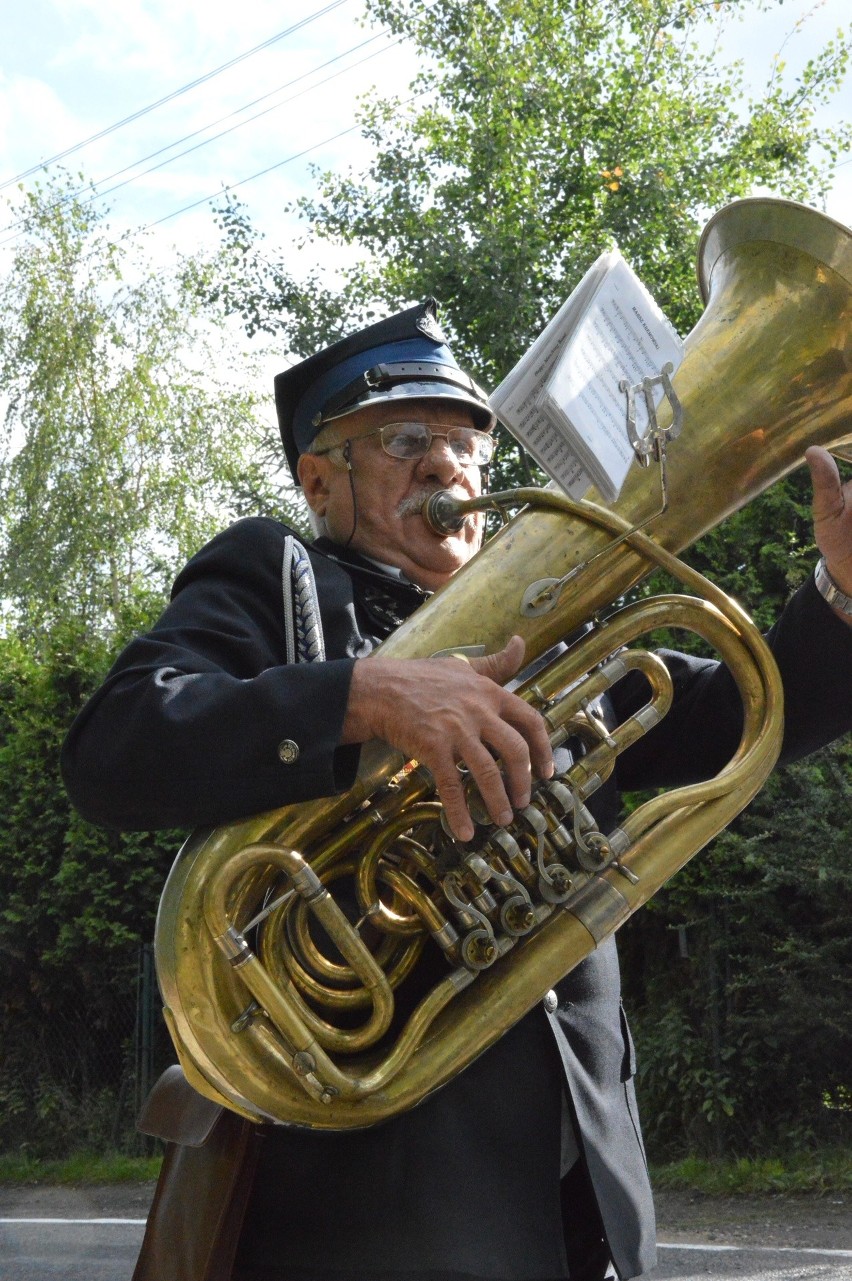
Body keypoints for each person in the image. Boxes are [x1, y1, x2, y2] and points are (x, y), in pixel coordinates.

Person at [61, 299, 852, 1281]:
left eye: (467, 442)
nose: (446, 466)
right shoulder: (280, 577)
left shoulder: (550, 625)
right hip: (366, 1205)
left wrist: (841, 595)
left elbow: (754, 718)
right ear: (321, 480)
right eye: (403, 441)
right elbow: (116, 746)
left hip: (578, 1192)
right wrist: (360, 696)